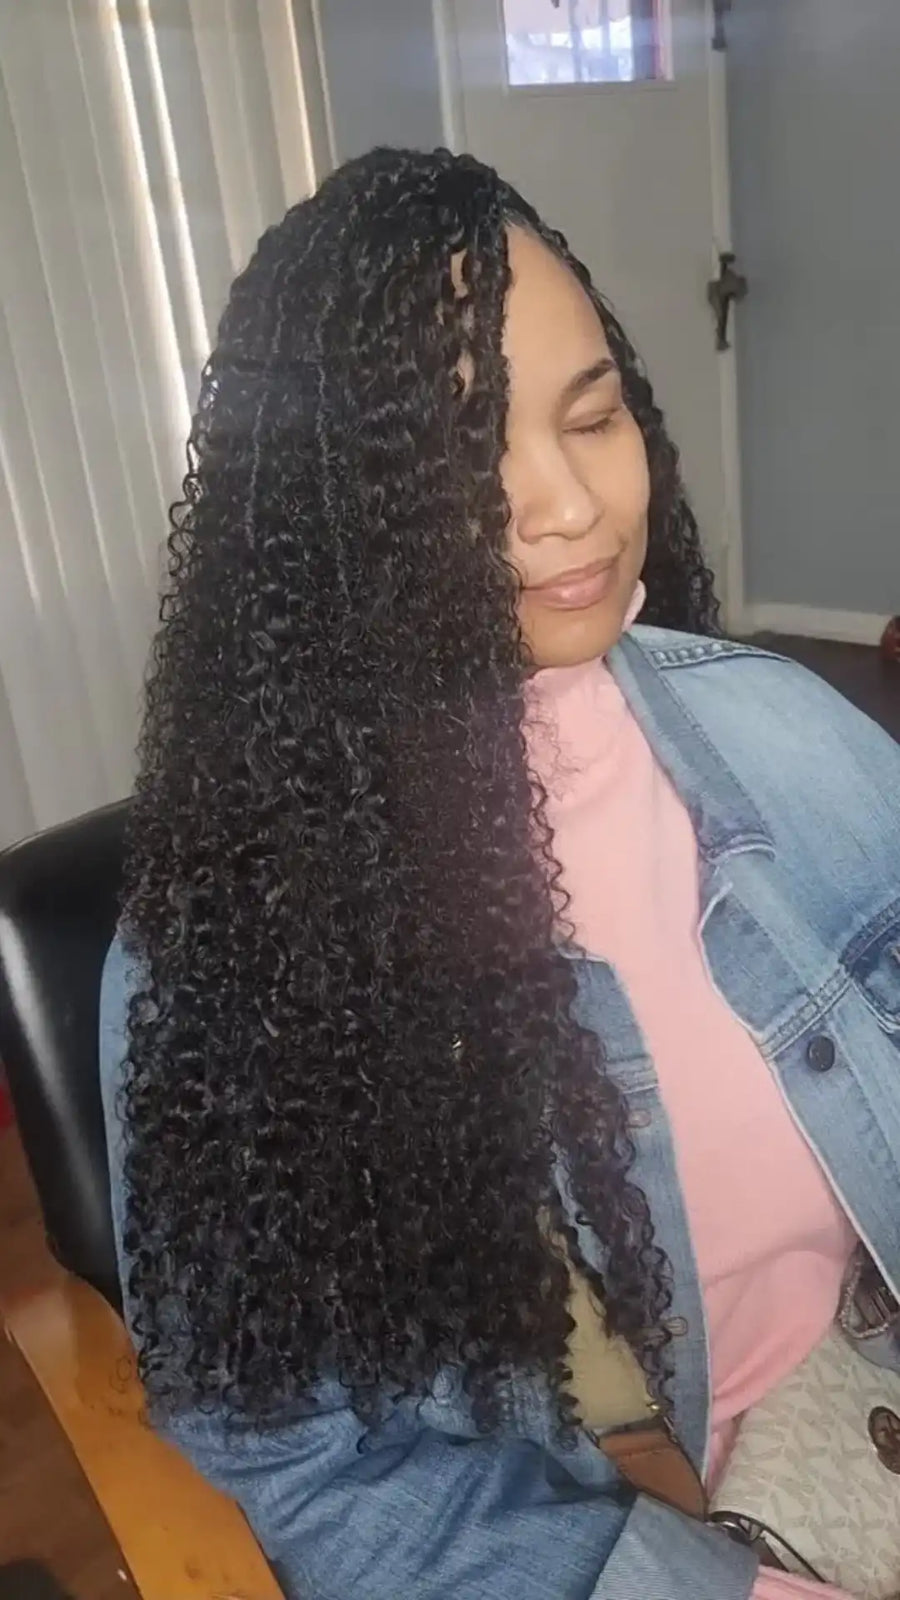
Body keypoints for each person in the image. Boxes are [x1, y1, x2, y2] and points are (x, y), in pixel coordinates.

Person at [99, 147, 900, 1600]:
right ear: (336, 522)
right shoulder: (239, 945)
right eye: (466, 463)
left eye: (593, 420)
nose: (571, 507)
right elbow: (313, 1466)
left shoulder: (781, 736)